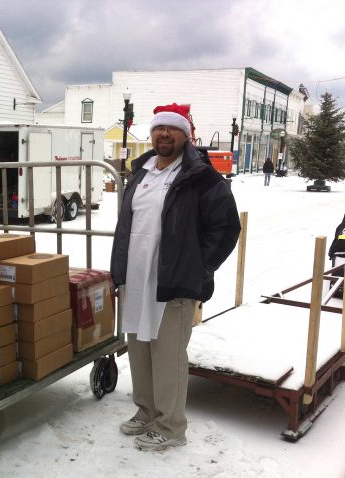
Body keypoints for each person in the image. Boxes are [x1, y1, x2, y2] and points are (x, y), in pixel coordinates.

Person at [110, 103, 240, 452]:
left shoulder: (202, 178)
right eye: (158, 129)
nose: (164, 135)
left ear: (186, 134)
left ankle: (170, 426)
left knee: (168, 353)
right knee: (139, 349)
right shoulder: (142, 172)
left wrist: (199, 267)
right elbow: (128, 226)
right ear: (151, 134)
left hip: (174, 283)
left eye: (172, 129)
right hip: (136, 280)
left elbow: (226, 227)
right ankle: (146, 410)